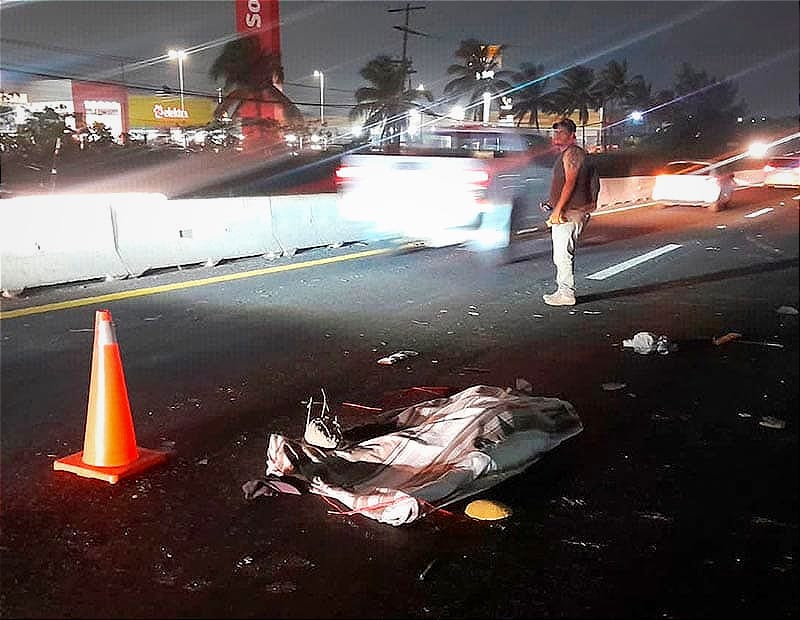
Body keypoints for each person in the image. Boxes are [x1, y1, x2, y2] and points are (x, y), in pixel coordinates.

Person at [542, 118, 594, 306]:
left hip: (571, 212)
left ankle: (566, 293)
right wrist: (552, 204)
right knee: (561, 254)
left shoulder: (573, 153)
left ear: (572, 135)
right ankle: (562, 291)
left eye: (561, 132)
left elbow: (570, 182)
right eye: (555, 132)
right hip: (568, 209)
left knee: (563, 254)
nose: (557, 135)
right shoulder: (567, 153)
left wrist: (558, 210)